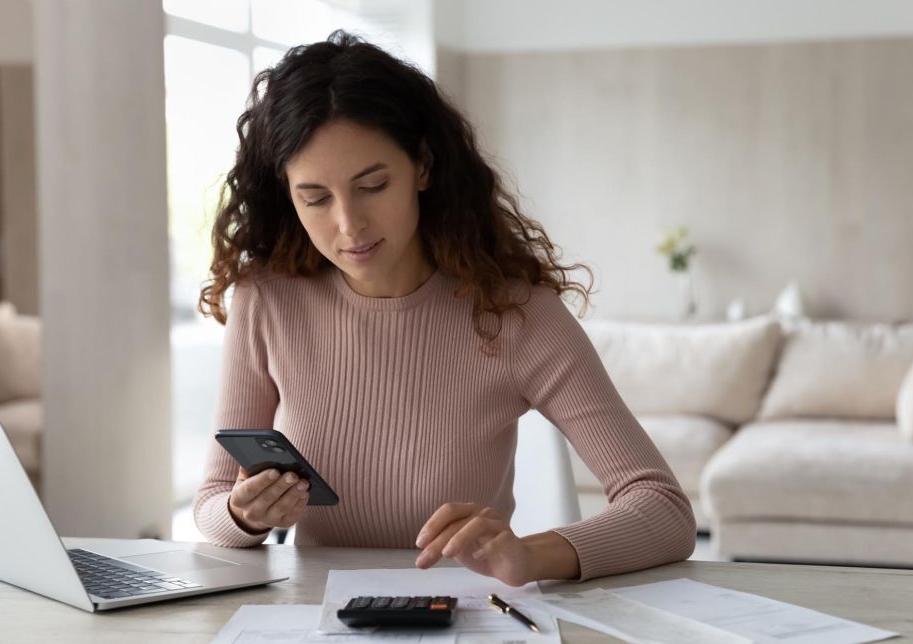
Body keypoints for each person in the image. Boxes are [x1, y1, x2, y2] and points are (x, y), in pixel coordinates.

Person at [194, 30, 695, 585]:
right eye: (315, 198)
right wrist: (244, 514)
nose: (348, 224)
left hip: (462, 618)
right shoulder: (268, 300)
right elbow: (213, 505)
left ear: (424, 167)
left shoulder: (515, 313)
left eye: (374, 185)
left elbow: (664, 510)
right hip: (313, 618)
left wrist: (532, 555)